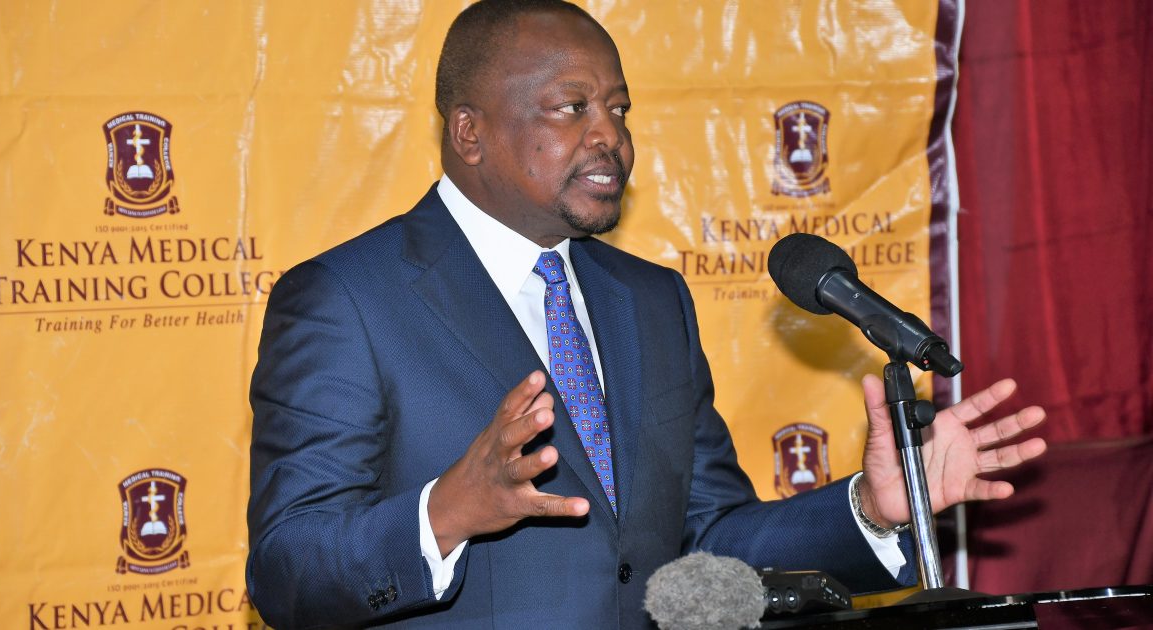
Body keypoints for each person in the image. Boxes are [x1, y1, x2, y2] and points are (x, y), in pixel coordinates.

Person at [246, 1, 1047, 628]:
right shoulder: (346, 299)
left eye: (619, 110)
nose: (611, 138)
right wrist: (444, 514)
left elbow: (708, 540)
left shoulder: (651, 300)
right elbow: (286, 573)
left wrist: (870, 508)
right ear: (470, 132)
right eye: (572, 108)